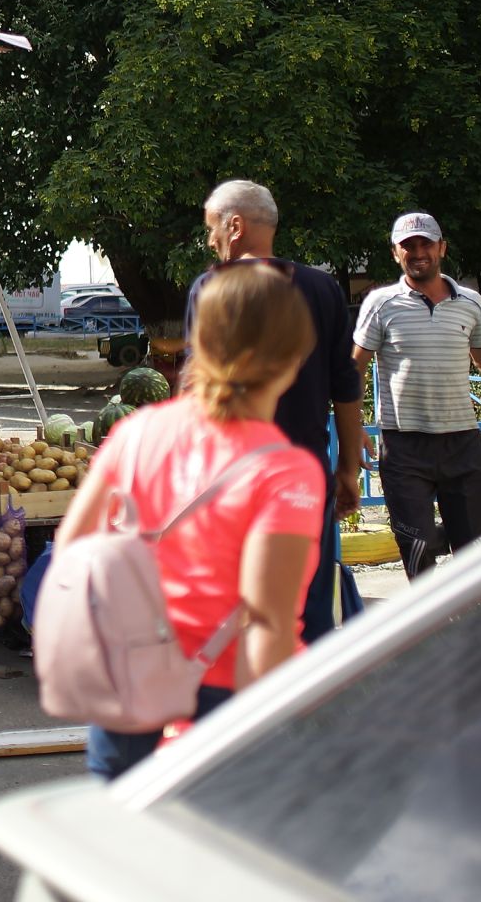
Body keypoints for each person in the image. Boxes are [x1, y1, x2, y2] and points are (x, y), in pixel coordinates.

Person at [58, 264, 325, 780]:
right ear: (293, 360)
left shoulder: (136, 433)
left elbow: (73, 552)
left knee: (115, 845)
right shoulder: (287, 472)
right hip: (226, 698)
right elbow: (266, 625)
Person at [186, 179, 363, 642]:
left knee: (235, 616)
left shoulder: (211, 289)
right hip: (306, 480)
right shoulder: (323, 289)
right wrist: (347, 471)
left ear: (236, 226)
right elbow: (347, 389)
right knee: (308, 611)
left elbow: (195, 394)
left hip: (230, 482)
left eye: (211, 228)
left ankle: (250, 708)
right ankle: (310, 707)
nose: (210, 240)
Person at [352, 213, 481, 578]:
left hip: (462, 446)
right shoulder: (381, 303)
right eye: (408, 246)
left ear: (442, 247)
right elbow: (355, 367)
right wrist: (352, 428)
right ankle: (430, 633)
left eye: (426, 243)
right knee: (418, 548)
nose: (418, 252)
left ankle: (474, 631)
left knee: (474, 553)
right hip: (405, 448)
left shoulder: (469, 302)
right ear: (396, 253)